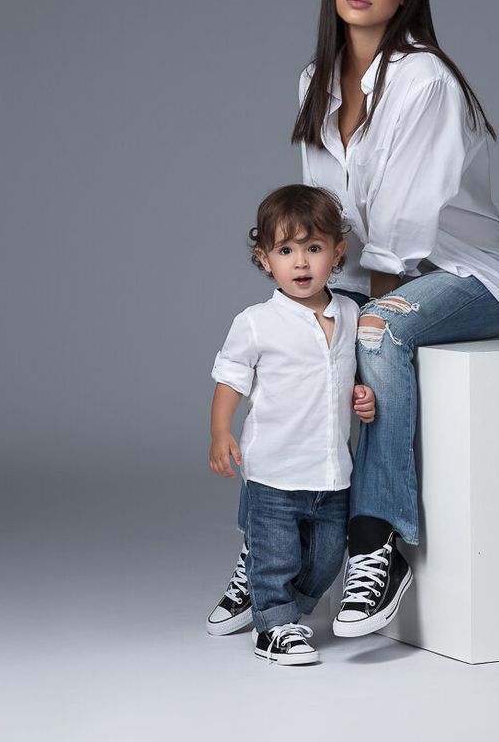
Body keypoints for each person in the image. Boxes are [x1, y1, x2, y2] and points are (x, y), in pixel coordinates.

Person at [211, 0, 499, 641]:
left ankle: (375, 539)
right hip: (370, 272)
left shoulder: (425, 82)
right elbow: (329, 220)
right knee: (289, 336)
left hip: (460, 275)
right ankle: (265, 549)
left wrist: (349, 321)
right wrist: (317, 311)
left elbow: (408, 235)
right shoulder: (314, 81)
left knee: (376, 331)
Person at [207, 184, 375, 664]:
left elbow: (348, 377)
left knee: (324, 561)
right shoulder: (257, 322)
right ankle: (274, 625)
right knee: (278, 554)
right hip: (275, 471)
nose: (300, 263)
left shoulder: (349, 312)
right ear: (265, 259)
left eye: (314, 249)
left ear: (337, 254)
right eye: (286, 251)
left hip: (330, 472)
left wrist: (362, 396)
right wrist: (221, 432)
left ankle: (281, 610)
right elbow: (230, 381)